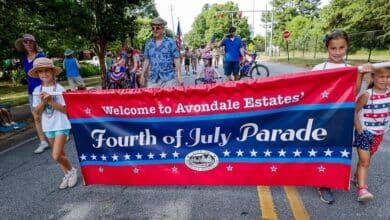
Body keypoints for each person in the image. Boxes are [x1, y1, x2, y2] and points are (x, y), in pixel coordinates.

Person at [312, 30, 374, 204]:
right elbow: (310, 91)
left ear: (347, 47)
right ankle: (323, 184)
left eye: (341, 48)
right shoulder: (318, 68)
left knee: (338, 150)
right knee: (322, 149)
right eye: (333, 48)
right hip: (322, 118)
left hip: (342, 119)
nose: (337, 52)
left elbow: (353, 93)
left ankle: (332, 178)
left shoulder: (350, 69)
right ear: (327, 48)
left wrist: (360, 74)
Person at [29, 57, 78, 189]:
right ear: (37, 74)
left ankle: (72, 170)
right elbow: (36, 113)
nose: (44, 74)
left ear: (52, 72)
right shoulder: (36, 91)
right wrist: (43, 101)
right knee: (61, 154)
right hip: (48, 126)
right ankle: (67, 173)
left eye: (47, 71)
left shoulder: (59, 88)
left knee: (55, 155)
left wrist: (51, 101)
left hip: (61, 124)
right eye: (40, 72)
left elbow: (65, 110)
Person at [353, 66, 390, 202]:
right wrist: (360, 130)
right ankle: (362, 190)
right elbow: (354, 111)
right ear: (373, 78)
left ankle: (357, 177)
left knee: (366, 159)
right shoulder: (366, 95)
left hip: (379, 134)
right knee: (365, 161)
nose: (385, 80)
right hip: (365, 132)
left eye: (388, 77)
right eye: (381, 77)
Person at [15, 34, 49, 154]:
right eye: (25, 42)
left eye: (30, 41)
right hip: (31, 92)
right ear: (23, 45)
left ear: (34, 43)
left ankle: (60, 133)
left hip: (44, 89)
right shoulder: (24, 58)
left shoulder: (41, 56)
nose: (28, 44)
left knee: (50, 113)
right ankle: (43, 141)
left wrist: (48, 88)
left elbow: (49, 72)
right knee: (36, 116)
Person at [139, 17, 183, 88]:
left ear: (163, 29)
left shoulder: (170, 42)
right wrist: (142, 75)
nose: (155, 30)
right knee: (151, 98)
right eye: (153, 28)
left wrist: (179, 75)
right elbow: (146, 60)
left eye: (158, 28)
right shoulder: (148, 44)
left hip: (169, 79)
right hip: (153, 79)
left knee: (169, 99)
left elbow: (176, 59)